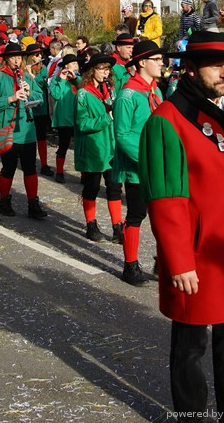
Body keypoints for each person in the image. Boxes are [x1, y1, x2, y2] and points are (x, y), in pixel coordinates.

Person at [138, 31, 224, 423]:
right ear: (190, 69)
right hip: (195, 254)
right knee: (190, 345)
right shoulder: (166, 121)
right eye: (216, 65)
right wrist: (179, 261)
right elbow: (166, 200)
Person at [112, 40, 164, 285]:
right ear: (142, 62)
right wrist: (146, 158)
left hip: (159, 165)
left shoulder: (156, 91)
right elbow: (122, 134)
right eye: (157, 59)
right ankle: (129, 265)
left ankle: (161, 260)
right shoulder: (127, 95)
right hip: (139, 167)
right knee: (136, 215)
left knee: (163, 215)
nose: (162, 63)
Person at [0, 43, 49, 219]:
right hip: (9, 129)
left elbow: (40, 98)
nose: (16, 60)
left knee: (30, 169)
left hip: (27, 130)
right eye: (13, 57)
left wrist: (29, 94)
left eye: (19, 57)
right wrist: (11, 98)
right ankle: (4, 201)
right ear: (6, 59)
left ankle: (33, 204)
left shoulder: (27, 77)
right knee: (9, 168)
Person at [73, 53, 122, 242]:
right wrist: (107, 118)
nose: (105, 72)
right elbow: (82, 124)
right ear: (92, 71)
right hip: (94, 148)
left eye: (107, 69)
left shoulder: (109, 89)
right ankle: (91, 225)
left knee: (114, 187)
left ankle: (117, 227)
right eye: (101, 69)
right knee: (91, 188)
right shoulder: (83, 94)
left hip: (110, 145)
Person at [49, 54, 80, 182]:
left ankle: (84, 174)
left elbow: (85, 88)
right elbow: (56, 95)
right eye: (73, 64)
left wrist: (76, 79)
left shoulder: (78, 78)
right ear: (66, 66)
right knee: (63, 146)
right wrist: (62, 80)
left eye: (76, 64)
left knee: (79, 147)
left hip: (78, 117)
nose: (75, 66)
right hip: (64, 119)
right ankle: (60, 172)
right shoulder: (56, 80)